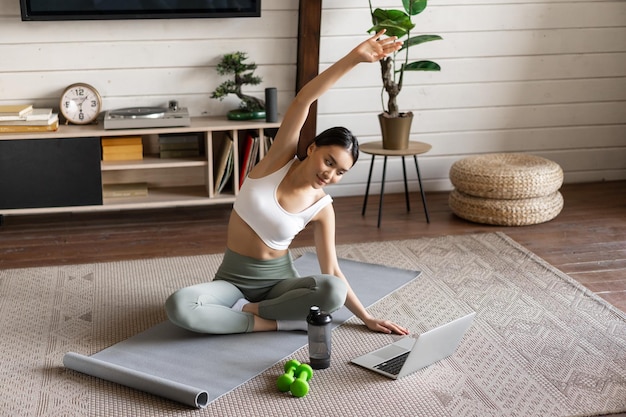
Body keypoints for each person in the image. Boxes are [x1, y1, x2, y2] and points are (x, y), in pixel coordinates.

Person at [165, 31, 409, 336]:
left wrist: (367, 318)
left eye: (340, 172)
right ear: (312, 149)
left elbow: (331, 271)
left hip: (281, 286)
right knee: (179, 305)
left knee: (331, 291)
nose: (330, 174)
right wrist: (354, 58)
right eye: (329, 162)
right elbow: (304, 99)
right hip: (231, 282)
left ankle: (251, 313)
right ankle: (274, 322)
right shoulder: (278, 160)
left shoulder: (322, 207)